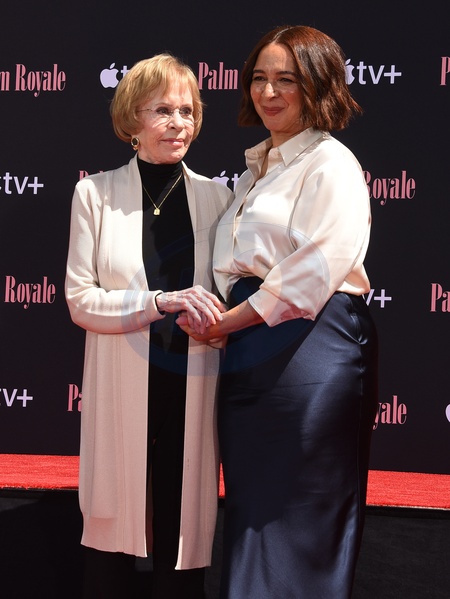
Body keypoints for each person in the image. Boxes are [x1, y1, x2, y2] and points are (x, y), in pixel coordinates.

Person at [177, 25, 379, 599]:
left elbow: (313, 270)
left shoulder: (331, 163)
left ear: (318, 85)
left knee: (301, 510)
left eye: (286, 79)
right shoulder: (253, 172)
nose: (269, 92)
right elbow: (234, 268)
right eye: (260, 78)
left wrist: (231, 321)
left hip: (312, 349)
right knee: (254, 512)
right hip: (249, 351)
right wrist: (223, 321)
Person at [65, 53, 233, 599]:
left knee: (182, 540)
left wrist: (222, 321)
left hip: (192, 383)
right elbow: (80, 300)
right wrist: (157, 302)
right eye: (163, 110)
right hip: (121, 386)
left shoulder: (219, 197)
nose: (179, 123)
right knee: (111, 537)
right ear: (131, 120)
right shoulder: (94, 194)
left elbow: (229, 297)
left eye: (187, 111)